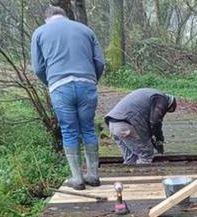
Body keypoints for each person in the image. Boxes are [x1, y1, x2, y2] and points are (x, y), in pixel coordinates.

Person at [31, 6, 105, 190]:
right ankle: (93, 175)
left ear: (47, 19)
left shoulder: (39, 33)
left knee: (69, 131)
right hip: (86, 84)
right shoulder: (86, 30)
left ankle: (77, 178)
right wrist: (91, 79)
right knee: (88, 128)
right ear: (64, 16)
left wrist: (52, 83)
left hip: (60, 87)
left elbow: (38, 68)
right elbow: (100, 62)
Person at [104, 88, 177, 165]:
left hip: (113, 123)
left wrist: (153, 139)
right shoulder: (161, 99)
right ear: (169, 105)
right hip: (125, 125)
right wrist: (159, 139)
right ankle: (143, 175)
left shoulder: (149, 94)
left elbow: (146, 125)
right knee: (146, 155)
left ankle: (129, 174)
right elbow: (155, 122)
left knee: (130, 160)